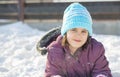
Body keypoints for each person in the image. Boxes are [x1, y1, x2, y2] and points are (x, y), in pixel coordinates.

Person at [36, 3, 112, 77]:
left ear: (88, 34)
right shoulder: (55, 50)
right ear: (65, 32)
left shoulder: (96, 49)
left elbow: (102, 70)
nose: (78, 35)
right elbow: (52, 72)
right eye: (73, 30)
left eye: (83, 31)